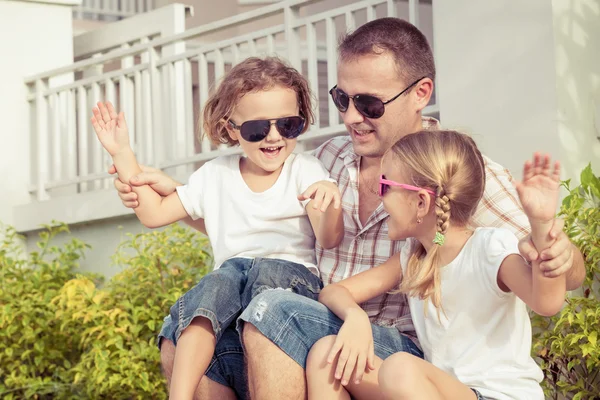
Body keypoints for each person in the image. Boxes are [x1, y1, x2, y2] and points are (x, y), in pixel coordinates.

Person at [107, 18, 585, 399]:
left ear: (421, 92)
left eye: (369, 103)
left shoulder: (456, 170)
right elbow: (255, 222)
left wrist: (552, 242)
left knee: (275, 312)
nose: (351, 116)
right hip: (333, 319)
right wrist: (181, 192)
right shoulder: (325, 158)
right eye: (342, 98)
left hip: (402, 352)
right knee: (184, 332)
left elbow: (557, 272)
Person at [91, 57, 343, 400]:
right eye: (257, 129)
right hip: (231, 278)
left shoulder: (305, 168)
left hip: (289, 277)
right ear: (230, 128)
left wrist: (330, 203)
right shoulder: (215, 174)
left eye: (288, 125)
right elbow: (154, 213)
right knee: (208, 294)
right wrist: (123, 153)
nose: (274, 137)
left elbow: (329, 238)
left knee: (262, 283)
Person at [306, 130, 564, 399]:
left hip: (498, 396)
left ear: (421, 202)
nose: (380, 198)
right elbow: (334, 291)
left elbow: (546, 302)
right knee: (327, 355)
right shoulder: (415, 256)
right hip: (441, 392)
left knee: (400, 369)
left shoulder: (488, 248)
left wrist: (542, 227)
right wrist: (355, 317)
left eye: (386, 186)